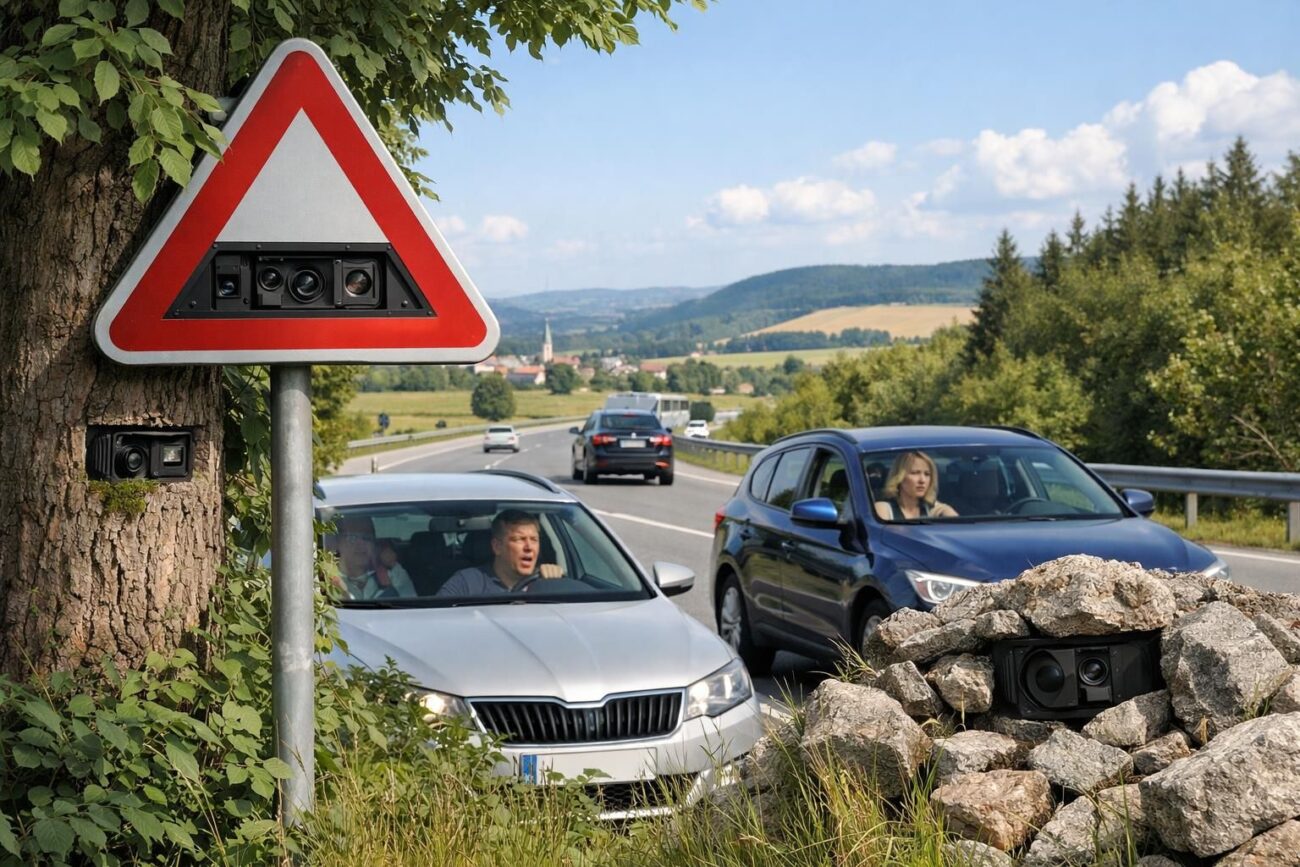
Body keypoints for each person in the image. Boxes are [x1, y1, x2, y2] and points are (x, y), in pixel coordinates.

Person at [437, 509, 564, 597]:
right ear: (497, 546)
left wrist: (555, 581)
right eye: (519, 539)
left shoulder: (548, 582)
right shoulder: (467, 583)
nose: (529, 547)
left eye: (534, 539)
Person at [331, 515, 415, 599]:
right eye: (352, 538)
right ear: (337, 543)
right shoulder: (324, 579)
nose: (361, 544)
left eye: (366, 538)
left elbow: (413, 606)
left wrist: (393, 565)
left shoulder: (393, 575)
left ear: (373, 544)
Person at [874, 451, 958, 520]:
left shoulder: (933, 509)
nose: (922, 480)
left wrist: (946, 512)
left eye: (927, 474)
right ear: (900, 476)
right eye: (915, 473)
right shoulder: (884, 509)